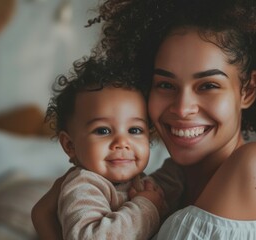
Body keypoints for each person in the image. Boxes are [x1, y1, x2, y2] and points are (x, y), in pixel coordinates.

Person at [32, 0, 256, 239]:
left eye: (208, 85)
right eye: (165, 85)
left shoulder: (255, 167)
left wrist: (45, 218)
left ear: (248, 89)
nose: (182, 107)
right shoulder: (171, 178)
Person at [42, 57, 184, 240]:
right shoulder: (84, 185)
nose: (122, 142)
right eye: (103, 130)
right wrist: (146, 205)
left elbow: (168, 186)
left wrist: (183, 166)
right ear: (70, 145)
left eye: (134, 130)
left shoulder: (137, 182)